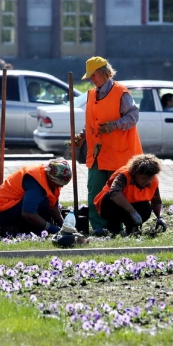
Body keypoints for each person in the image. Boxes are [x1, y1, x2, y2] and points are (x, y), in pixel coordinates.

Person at [73, 57, 142, 236]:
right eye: (90, 76)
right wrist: (82, 135)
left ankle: (116, 226)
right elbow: (92, 122)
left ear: (104, 72)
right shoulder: (91, 94)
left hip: (118, 155)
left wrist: (114, 125)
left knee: (115, 193)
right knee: (94, 189)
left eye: (93, 75)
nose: (91, 79)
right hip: (97, 154)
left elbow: (133, 116)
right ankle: (98, 227)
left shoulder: (121, 93)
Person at [0, 158, 72, 236]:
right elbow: (28, 213)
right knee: (43, 203)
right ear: (51, 178)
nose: (61, 186)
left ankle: (37, 228)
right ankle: (34, 230)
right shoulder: (36, 182)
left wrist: (64, 225)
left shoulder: (51, 182)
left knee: (45, 202)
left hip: (14, 205)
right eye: (59, 184)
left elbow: (53, 207)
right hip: (2, 211)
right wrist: (51, 228)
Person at [94, 154, 167, 236]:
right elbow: (114, 193)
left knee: (146, 208)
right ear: (135, 173)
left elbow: (156, 201)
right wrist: (133, 212)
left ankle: (132, 228)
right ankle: (115, 229)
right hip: (111, 206)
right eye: (143, 178)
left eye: (149, 178)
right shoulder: (124, 175)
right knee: (108, 199)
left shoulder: (153, 180)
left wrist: (160, 217)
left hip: (132, 206)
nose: (146, 181)